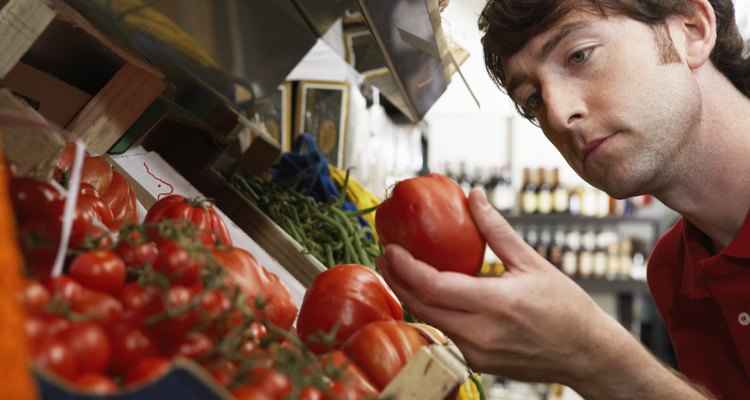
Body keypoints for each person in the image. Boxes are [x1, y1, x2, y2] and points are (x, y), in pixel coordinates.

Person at [376, 0, 750, 398]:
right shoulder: (673, 270)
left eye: (579, 56)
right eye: (533, 99)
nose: (556, 115)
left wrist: (594, 357)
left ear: (692, 29)